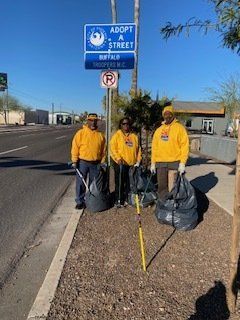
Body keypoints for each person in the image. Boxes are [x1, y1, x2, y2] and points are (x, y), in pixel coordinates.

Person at [151, 104, 189, 198]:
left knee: (174, 186)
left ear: (173, 115)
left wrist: (182, 163)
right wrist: (153, 163)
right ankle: (163, 206)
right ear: (163, 115)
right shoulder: (159, 130)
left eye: (169, 114)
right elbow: (154, 147)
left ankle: (174, 205)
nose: (167, 116)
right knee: (162, 186)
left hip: (174, 162)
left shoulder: (179, 128)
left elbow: (184, 146)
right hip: (160, 162)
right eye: (165, 114)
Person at [71, 113, 106, 209]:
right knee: (81, 183)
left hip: (96, 163)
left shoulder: (100, 135)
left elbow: (103, 150)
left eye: (95, 120)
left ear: (97, 122)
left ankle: (91, 200)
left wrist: (102, 161)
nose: (93, 122)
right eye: (91, 120)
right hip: (83, 162)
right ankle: (80, 201)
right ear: (87, 121)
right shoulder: (81, 133)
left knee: (93, 184)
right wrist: (74, 161)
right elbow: (75, 147)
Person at [110, 117, 142, 207]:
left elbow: (138, 149)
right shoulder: (117, 135)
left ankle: (127, 199)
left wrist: (138, 161)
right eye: (124, 124)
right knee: (119, 183)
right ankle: (118, 200)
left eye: (127, 123)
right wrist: (118, 158)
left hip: (131, 164)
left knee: (129, 183)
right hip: (121, 164)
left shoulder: (134, 136)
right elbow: (112, 148)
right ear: (121, 125)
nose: (126, 125)